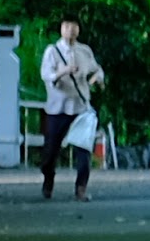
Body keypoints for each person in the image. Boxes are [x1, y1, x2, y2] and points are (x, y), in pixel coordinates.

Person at [38, 23, 109, 201]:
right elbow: (46, 75)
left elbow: (97, 69)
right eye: (66, 25)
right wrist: (63, 71)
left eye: (74, 26)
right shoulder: (52, 51)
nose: (70, 29)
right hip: (58, 108)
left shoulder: (85, 51)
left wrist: (97, 79)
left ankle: (81, 188)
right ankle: (48, 179)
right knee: (50, 152)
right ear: (61, 28)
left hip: (80, 108)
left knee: (83, 149)